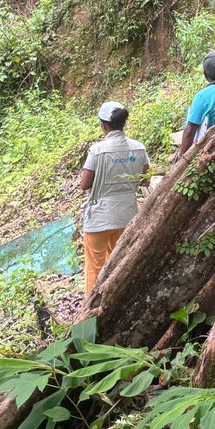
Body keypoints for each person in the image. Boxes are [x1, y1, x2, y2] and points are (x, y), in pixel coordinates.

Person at [79, 102, 150, 296]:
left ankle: (91, 305)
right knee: (119, 263)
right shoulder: (139, 148)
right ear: (123, 123)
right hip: (127, 215)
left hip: (99, 218)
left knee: (95, 266)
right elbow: (145, 179)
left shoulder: (97, 150)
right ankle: (118, 298)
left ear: (103, 125)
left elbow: (85, 184)